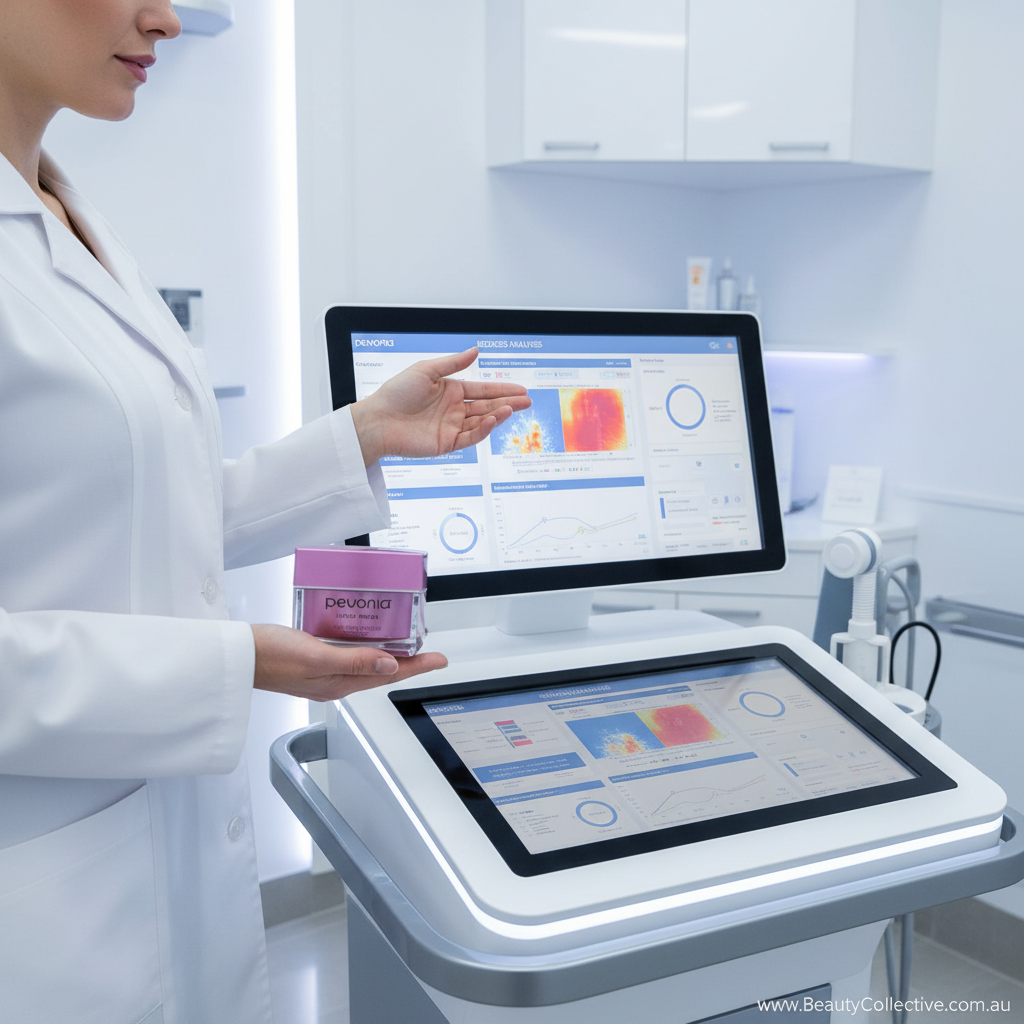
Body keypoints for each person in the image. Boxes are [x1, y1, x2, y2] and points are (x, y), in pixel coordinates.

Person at [0, 2, 530, 1021]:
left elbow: (161, 516)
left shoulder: (72, 213)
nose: (166, 16)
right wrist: (242, 660)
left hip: (160, 858)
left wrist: (364, 434)